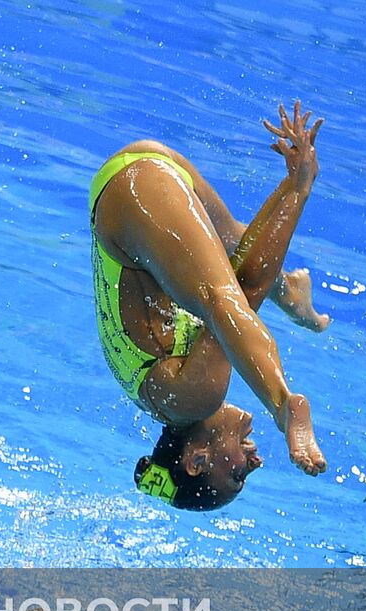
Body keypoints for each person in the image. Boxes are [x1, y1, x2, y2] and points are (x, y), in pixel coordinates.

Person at [90, 101, 331, 511]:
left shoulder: (194, 400)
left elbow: (242, 293)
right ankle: (290, 293)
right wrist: (293, 184)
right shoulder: (156, 398)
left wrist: (282, 403)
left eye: (237, 475)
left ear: (197, 460)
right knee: (230, 251)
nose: (254, 463)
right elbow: (246, 270)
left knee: (222, 297)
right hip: (136, 182)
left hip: (137, 196)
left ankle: (282, 405)